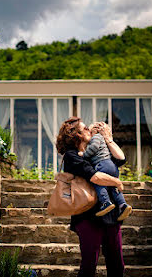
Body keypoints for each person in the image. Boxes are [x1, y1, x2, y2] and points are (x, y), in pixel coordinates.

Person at [56, 117, 126, 277]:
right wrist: (116, 182)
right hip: (87, 216)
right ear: (77, 134)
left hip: (110, 214)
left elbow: (121, 160)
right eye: (86, 128)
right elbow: (94, 176)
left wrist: (108, 139)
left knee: (117, 265)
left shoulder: (98, 149)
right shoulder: (72, 156)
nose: (90, 129)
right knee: (89, 265)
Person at [81, 124, 132, 220]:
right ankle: (123, 205)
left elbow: (93, 148)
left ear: (94, 131)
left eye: (89, 131)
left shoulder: (96, 138)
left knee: (99, 182)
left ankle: (106, 202)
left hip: (102, 165)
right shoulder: (104, 145)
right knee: (114, 187)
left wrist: (84, 155)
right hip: (112, 167)